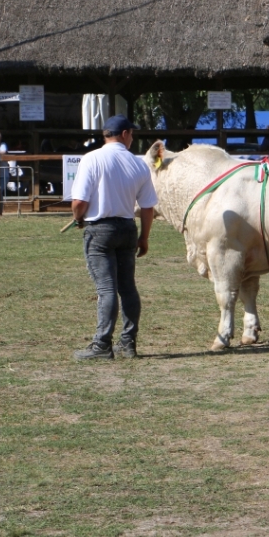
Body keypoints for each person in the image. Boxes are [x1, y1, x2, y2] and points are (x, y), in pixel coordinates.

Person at [70, 115, 159, 361]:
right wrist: (145, 237)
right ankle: (128, 343)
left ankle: (102, 345)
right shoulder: (139, 164)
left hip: (100, 229)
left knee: (107, 289)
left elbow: (79, 203)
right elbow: (148, 207)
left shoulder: (92, 159)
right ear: (125, 134)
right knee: (128, 288)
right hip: (128, 228)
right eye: (132, 134)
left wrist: (79, 219)